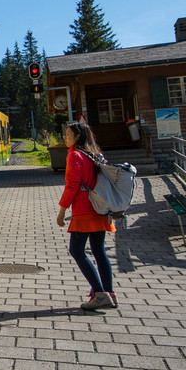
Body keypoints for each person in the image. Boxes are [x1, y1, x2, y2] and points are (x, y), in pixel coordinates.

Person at [57, 121, 118, 310]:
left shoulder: (74, 155)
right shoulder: (94, 154)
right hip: (100, 209)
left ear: (77, 137)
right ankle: (110, 294)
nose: (65, 137)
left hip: (84, 211)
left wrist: (62, 210)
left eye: (68, 134)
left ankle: (100, 294)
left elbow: (72, 185)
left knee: (77, 251)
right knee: (99, 251)